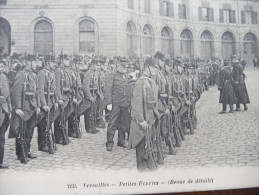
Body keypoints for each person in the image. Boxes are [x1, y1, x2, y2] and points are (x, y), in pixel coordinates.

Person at [9, 55, 41, 163]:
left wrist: (37, 106)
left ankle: (27, 151)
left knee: (30, 130)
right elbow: (15, 92)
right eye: (36, 62)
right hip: (23, 106)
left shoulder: (34, 75)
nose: (38, 64)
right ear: (29, 63)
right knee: (21, 131)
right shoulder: (21, 75)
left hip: (32, 106)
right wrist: (17, 108)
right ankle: (20, 153)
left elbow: (36, 92)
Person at [128, 58, 159, 172]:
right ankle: (141, 169)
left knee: (149, 142)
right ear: (147, 68)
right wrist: (141, 120)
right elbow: (135, 103)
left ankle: (148, 164)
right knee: (141, 144)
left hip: (150, 118)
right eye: (153, 68)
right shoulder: (141, 82)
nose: (155, 70)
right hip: (143, 120)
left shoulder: (150, 81)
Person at [104, 57, 131, 151]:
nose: (124, 68)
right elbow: (107, 89)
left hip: (124, 103)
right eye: (123, 66)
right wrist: (108, 103)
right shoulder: (112, 75)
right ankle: (109, 142)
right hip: (115, 103)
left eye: (125, 66)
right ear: (118, 65)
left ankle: (121, 141)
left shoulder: (125, 75)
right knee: (112, 123)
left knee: (123, 124)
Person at [0, 60, 11, 168]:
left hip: (4, 111)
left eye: (2, 66)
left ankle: (0, 161)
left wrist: (10, 109)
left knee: (1, 138)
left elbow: (8, 95)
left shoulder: (4, 77)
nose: (1, 68)